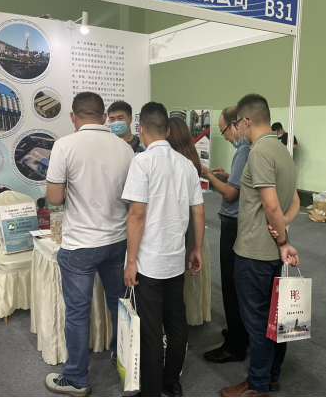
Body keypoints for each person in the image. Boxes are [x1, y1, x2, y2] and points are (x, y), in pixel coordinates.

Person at [44, 92, 134, 397]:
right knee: (119, 305)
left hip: (80, 244)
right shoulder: (124, 148)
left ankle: (76, 378)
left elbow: (55, 198)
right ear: (105, 116)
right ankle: (123, 360)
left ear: (73, 117)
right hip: (117, 240)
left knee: (78, 312)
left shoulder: (64, 145)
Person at [122, 102, 205, 397]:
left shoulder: (141, 162)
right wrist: (197, 248)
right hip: (174, 259)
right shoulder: (187, 165)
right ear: (168, 131)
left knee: (151, 329)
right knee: (176, 324)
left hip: (148, 262)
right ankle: (171, 382)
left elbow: (137, 215)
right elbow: (198, 212)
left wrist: (131, 261)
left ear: (140, 129)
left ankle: (152, 390)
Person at [221, 94, 301, 398]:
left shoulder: (259, 152)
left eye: (236, 125)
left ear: (245, 121)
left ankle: (256, 386)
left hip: (255, 252)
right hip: (272, 253)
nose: (237, 131)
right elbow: (294, 201)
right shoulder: (283, 150)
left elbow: (271, 205)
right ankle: (271, 377)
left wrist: (281, 239)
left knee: (258, 323)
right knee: (276, 320)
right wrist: (284, 227)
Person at [198, 106, 251, 363]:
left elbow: (231, 194)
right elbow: (240, 184)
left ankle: (235, 345)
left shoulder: (245, 150)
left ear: (237, 124)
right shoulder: (251, 149)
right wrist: (229, 177)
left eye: (225, 131)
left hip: (234, 224)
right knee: (238, 283)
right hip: (243, 223)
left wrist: (208, 175)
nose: (227, 137)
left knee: (230, 285)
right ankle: (240, 332)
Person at [167, 117, 211, 327]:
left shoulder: (172, 164)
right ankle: (188, 319)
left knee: (172, 283)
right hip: (194, 229)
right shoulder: (192, 161)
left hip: (176, 229)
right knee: (188, 280)